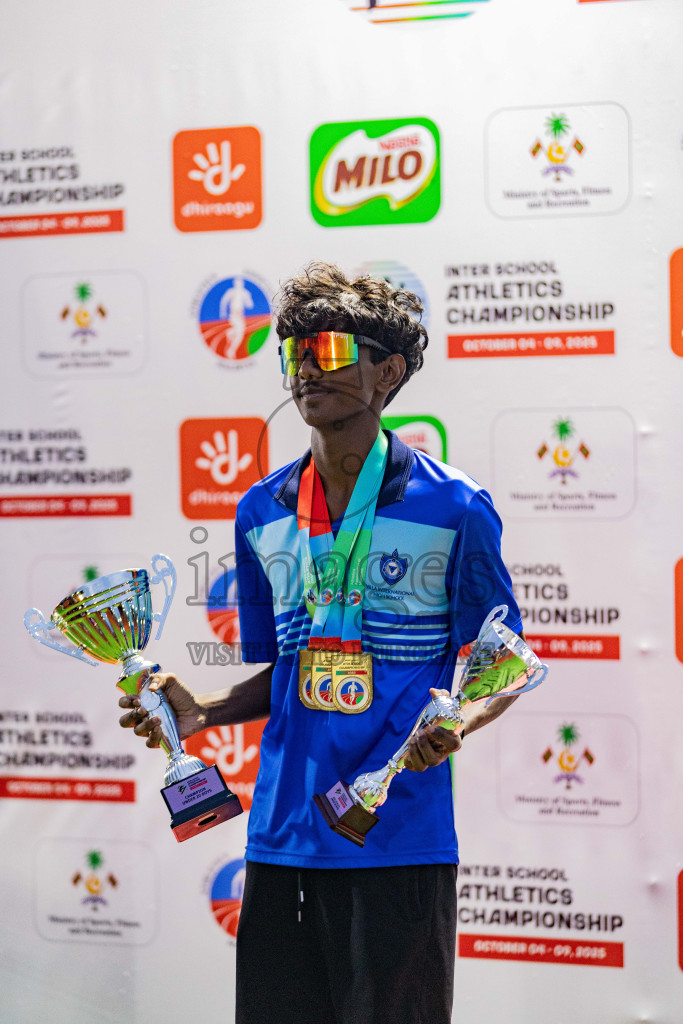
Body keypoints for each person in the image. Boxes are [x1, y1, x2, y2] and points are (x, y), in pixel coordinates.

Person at [119, 262, 523, 1024]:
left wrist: (459, 722)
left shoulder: (454, 506)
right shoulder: (260, 510)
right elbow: (290, 671)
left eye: (330, 351)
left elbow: (504, 663)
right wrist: (201, 710)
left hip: (395, 835)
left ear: (387, 372)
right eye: (294, 354)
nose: (306, 368)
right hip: (279, 843)